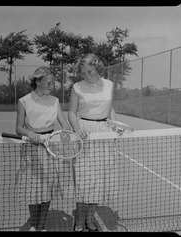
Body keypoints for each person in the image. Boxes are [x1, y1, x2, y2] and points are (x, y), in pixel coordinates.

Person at [16, 66, 71, 231]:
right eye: (48, 82)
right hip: (31, 149)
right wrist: (30, 133)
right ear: (37, 81)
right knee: (33, 188)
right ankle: (33, 224)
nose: (51, 86)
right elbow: (19, 128)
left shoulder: (54, 101)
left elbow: (63, 121)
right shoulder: (24, 101)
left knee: (47, 187)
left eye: (53, 83)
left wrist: (66, 131)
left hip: (51, 147)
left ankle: (40, 226)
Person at [68, 53, 118, 232]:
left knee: (98, 181)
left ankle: (90, 220)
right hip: (84, 134)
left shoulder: (109, 85)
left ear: (97, 68)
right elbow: (72, 113)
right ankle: (79, 221)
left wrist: (115, 126)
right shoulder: (77, 87)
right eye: (83, 73)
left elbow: (110, 109)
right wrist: (76, 129)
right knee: (83, 180)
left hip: (104, 135)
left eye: (89, 71)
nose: (86, 76)